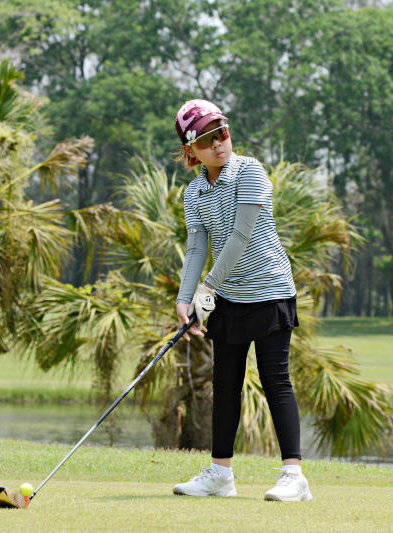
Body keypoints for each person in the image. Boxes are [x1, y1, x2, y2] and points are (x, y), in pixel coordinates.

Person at [170, 98, 312, 502]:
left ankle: (294, 477)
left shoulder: (250, 171)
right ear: (191, 150)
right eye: (206, 139)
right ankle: (220, 475)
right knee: (226, 383)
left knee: (275, 379)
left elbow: (240, 236)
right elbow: (196, 248)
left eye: (222, 132)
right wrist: (184, 299)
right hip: (229, 296)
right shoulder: (195, 192)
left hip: (270, 290)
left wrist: (207, 288)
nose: (218, 143)